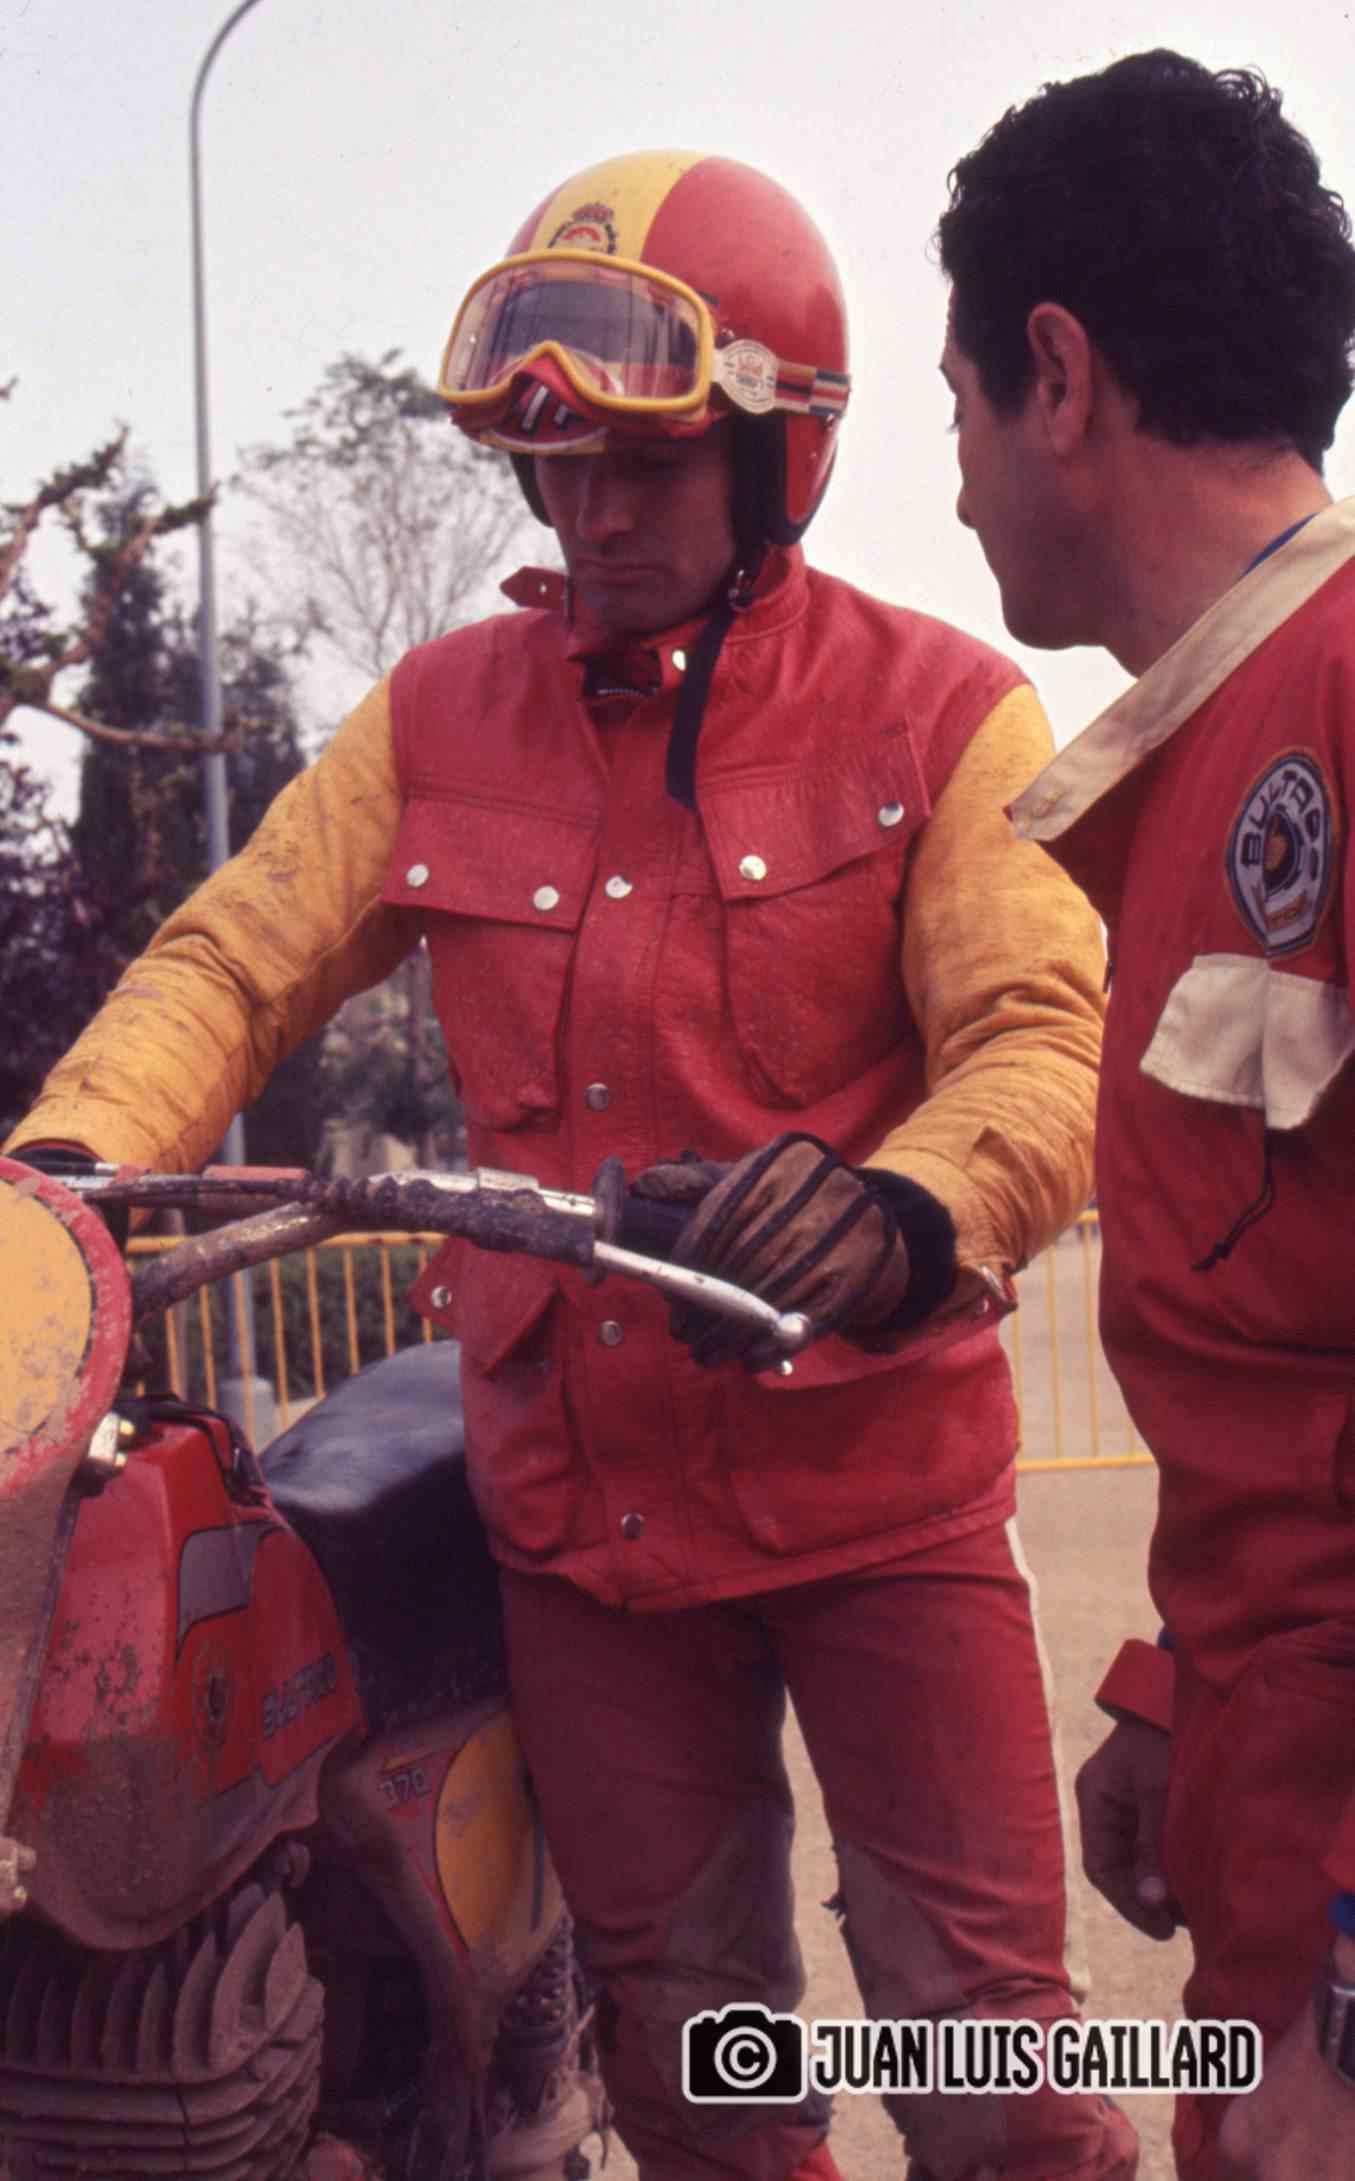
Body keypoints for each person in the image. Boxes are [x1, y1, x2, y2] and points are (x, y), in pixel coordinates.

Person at [9, 151, 1132, 2181]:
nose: (593, 512)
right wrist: (62, 1172)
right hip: (589, 1530)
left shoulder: (947, 713)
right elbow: (234, 960)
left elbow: (1040, 1038)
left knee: (994, 2067)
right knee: (694, 2056)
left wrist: (906, 1209)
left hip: (880, 1503)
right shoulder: (440, 716)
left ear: (782, 450)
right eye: (559, 466)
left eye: (648, 462)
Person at [937, 48, 1355, 2181]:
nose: (952, 490)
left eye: (955, 409)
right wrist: (1184, 1682)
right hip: (1272, 1854)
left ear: (1059, 374)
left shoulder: (1342, 699)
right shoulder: (1198, 771)